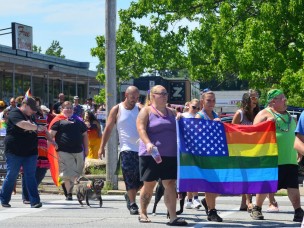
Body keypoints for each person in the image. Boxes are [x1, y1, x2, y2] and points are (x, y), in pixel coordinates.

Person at [136, 85, 187, 226]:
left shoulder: (171, 112)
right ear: (152, 96)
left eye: (166, 93)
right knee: (149, 184)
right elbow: (140, 128)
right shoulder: (146, 111)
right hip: (151, 154)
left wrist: (180, 116)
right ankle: (143, 212)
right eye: (161, 93)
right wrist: (147, 143)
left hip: (170, 155)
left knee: (170, 183)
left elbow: (181, 125)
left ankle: (172, 217)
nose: (165, 96)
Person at [251, 89, 303, 222]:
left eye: (285, 98)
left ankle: (298, 211)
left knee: (293, 186)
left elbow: (296, 136)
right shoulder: (264, 113)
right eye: (282, 98)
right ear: (273, 101)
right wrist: (267, 122)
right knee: (266, 185)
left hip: (289, 158)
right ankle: (257, 208)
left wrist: (299, 151)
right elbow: (253, 133)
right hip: (271, 158)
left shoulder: (290, 116)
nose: (285, 100)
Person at [98, 86, 143, 215]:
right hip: (126, 149)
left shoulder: (140, 109)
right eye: (132, 96)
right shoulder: (117, 109)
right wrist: (102, 147)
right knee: (129, 177)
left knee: (143, 179)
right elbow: (108, 129)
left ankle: (129, 195)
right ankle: (133, 204)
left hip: (141, 149)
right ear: (126, 95)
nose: (135, 99)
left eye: (137, 96)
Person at [0, 97, 45, 208]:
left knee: (30, 176)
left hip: (31, 151)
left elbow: (42, 129)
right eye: (32, 109)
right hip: (14, 150)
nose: (34, 111)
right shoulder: (14, 113)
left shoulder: (32, 116)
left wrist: (52, 141)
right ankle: (4, 199)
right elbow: (23, 124)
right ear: (24, 105)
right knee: (12, 175)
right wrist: (36, 127)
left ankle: (34, 201)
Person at [49, 101, 88, 201]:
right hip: (63, 151)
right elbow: (50, 135)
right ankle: (69, 193)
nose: (69, 109)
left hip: (78, 151)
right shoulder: (58, 121)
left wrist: (86, 149)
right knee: (67, 173)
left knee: (78, 173)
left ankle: (77, 191)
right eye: (67, 108)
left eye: (71, 108)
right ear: (62, 110)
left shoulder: (79, 121)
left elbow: (85, 135)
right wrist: (51, 144)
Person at [195, 89, 223, 222]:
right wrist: (213, 125)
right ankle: (212, 211)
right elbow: (197, 135)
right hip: (205, 155)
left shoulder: (215, 114)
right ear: (202, 102)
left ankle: (207, 202)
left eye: (213, 100)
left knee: (217, 185)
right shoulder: (199, 116)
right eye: (208, 100)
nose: (211, 103)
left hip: (216, 154)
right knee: (210, 184)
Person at [21, 102, 57, 204]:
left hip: (42, 147)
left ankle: (32, 190)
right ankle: (26, 197)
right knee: (27, 172)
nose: (35, 110)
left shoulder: (41, 118)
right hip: (29, 147)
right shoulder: (24, 118)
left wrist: (52, 141)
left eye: (36, 108)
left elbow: (45, 131)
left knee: (42, 170)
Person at [232, 89, 260, 212]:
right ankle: (249, 201)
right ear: (246, 100)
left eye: (256, 97)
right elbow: (232, 131)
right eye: (253, 98)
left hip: (256, 149)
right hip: (242, 149)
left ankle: (244, 203)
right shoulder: (240, 114)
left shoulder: (259, 114)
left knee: (251, 175)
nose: (255, 100)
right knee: (246, 175)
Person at [181, 99, 202, 209]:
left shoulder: (200, 117)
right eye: (194, 107)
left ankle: (191, 199)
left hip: (197, 148)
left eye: (198, 108)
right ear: (188, 105)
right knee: (190, 173)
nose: (196, 110)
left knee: (194, 173)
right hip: (186, 148)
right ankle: (193, 198)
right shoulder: (183, 116)